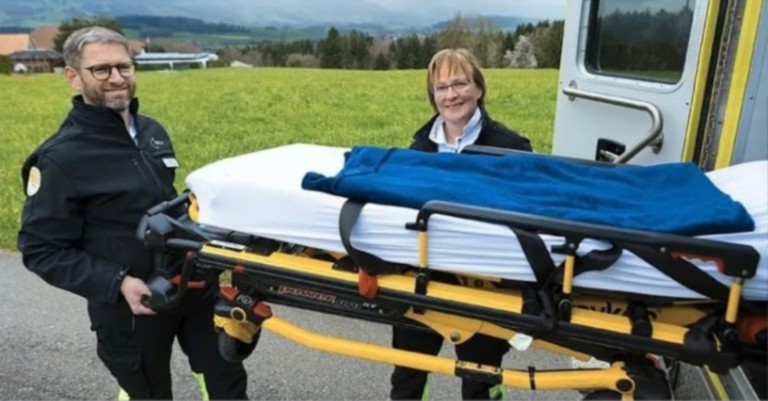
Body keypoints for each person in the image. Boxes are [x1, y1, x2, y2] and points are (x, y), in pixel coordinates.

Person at [17, 26, 249, 400]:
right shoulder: (60, 159)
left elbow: (168, 204)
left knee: (227, 383)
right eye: (101, 69)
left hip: (190, 286)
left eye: (123, 66)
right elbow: (40, 250)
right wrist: (118, 283)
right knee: (147, 392)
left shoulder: (152, 131)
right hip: (130, 307)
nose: (116, 78)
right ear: (73, 77)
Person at [390, 48, 533, 400]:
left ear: (478, 88)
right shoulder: (418, 150)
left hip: (485, 281)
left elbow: (527, 214)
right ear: (433, 96)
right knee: (408, 373)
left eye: (460, 84)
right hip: (423, 275)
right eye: (441, 88)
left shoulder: (511, 147)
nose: (451, 95)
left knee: (480, 377)